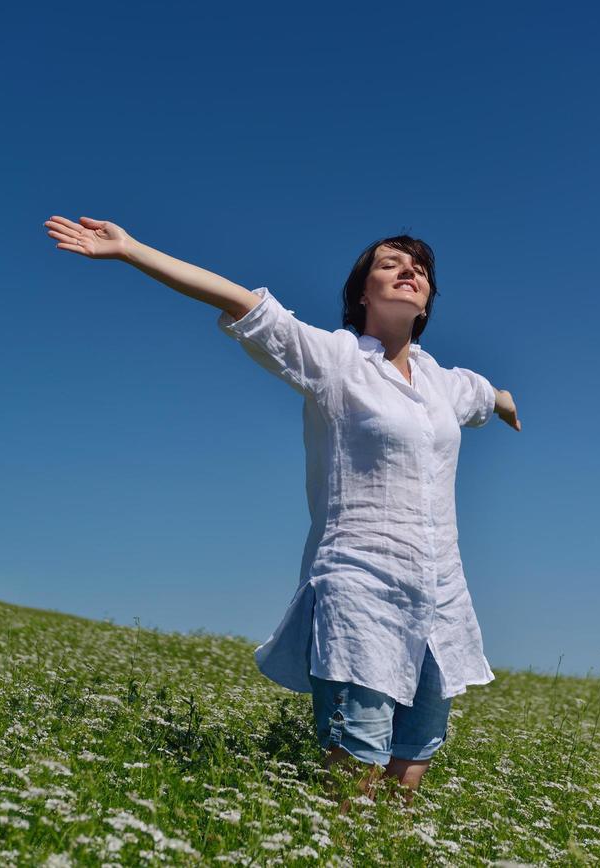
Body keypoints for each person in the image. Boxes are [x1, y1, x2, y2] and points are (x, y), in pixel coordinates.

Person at [42, 216, 521, 804]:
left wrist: (503, 401)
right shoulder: (335, 360)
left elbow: (483, 393)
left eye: (420, 268)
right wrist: (132, 250)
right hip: (360, 581)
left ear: (427, 302)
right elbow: (240, 301)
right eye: (390, 264)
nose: (410, 271)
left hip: (440, 592)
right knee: (358, 756)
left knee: (414, 755)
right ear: (362, 293)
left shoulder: (444, 383)